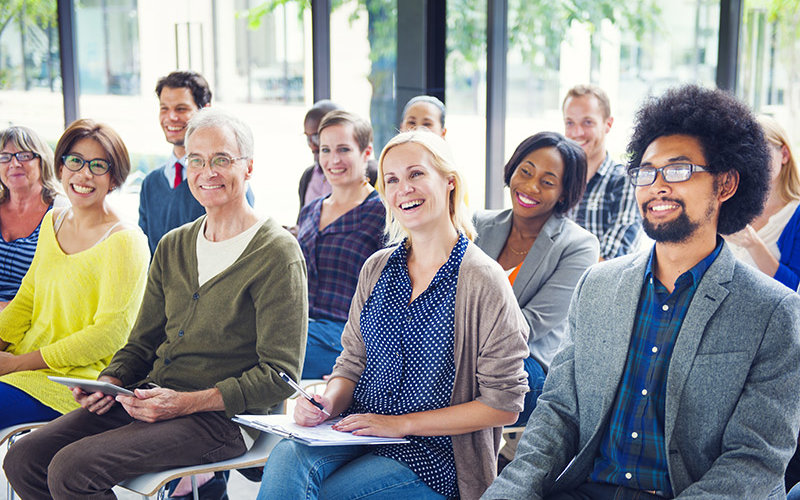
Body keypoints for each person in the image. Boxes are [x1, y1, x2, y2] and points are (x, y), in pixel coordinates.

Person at [482, 84, 800, 500]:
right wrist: (508, 493)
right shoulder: (598, 287)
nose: (657, 186)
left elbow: (753, 461)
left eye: (679, 169)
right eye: (647, 171)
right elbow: (557, 415)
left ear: (725, 185)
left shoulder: (772, 312)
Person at [3, 108, 308, 499]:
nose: (206, 171)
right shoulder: (174, 244)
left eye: (222, 160)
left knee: (71, 469)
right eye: (196, 160)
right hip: (148, 398)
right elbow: (141, 342)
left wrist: (184, 403)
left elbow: (279, 376)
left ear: (248, 168)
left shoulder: (278, 253)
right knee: (25, 458)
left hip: (223, 419)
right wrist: (109, 382)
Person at [258, 129, 529, 500]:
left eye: (416, 174)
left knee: (328, 495)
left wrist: (400, 425)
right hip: (358, 429)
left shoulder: (483, 279)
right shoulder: (377, 268)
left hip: (433, 453)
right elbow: (351, 362)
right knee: (287, 456)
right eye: (392, 179)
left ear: (449, 182)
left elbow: (504, 405)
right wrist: (327, 402)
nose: (404, 188)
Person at [0, 119, 149, 429]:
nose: (84, 174)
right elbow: (27, 298)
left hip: (72, 384)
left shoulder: (125, 241)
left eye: (98, 166)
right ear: (62, 167)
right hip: (21, 366)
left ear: (114, 177)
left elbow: (109, 334)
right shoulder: (54, 220)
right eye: (75, 161)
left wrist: (16, 363)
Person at [473, 132, 599, 466]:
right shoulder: (477, 225)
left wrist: (457, 342)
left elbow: (530, 326)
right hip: (463, 356)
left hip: (526, 367)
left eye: (547, 181)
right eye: (525, 172)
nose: (530, 187)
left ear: (563, 193)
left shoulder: (578, 245)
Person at [297, 110, 385, 379]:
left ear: (366, 151)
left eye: (344, 149)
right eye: (326, 150)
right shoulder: (311, 210)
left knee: (257, 354)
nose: (333, 160)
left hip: (347, 337)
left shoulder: (383, 213)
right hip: (302, 326)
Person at [139, 70, 254, 255]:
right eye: (164, 109)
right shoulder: (150, 184)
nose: (171, 117)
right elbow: (147, 254)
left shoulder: (222, 182)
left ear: (205, 110)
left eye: (181, 109)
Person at [563, 84, 641, 260]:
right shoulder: (559, 179)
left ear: (608, 124)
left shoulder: (623, 181)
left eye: (587, 122)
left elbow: (615, 259)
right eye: (570, 123)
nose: (577, 132)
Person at [725, 115, 800, 290]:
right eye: (747, 155)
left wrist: (753, 244)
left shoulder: (795, 215)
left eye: (763, 153)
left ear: (785, 155)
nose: (755, 163)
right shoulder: (730, 202)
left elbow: (793, 287)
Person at [0, 126, 62, 309]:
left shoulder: (61, 212)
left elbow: (59, 287)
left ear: (41, 161)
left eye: (24, 155)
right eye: (4, 157)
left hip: (31, 316)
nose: (14, 164)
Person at [298, 100, 378, 214]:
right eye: (326, 149)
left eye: (343, 149)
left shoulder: (374, 174)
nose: (312, 145)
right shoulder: (308, 176)